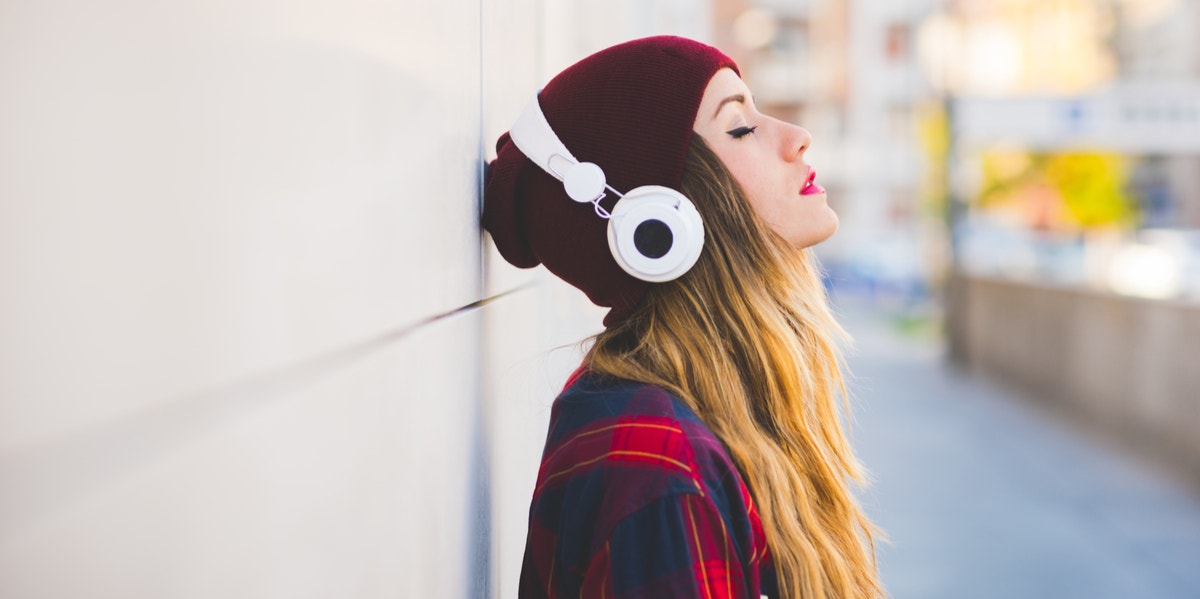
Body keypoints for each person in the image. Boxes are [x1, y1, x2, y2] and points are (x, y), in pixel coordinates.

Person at [483, 36, 883, 599]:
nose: (797, 138)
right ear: (654, 225)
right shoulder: (660, 467)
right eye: (740, 127)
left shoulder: (705, 415)